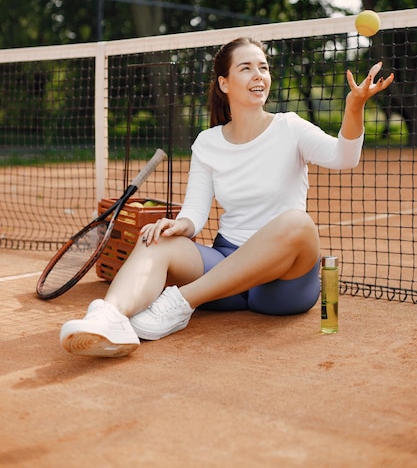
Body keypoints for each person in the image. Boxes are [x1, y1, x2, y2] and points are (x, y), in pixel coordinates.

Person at [60, 36, 394, 357]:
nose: (258, 75)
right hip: (225, 270)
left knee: (297, 222)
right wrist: (181, 225)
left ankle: (179, 304)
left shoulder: (291, 128)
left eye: (263, 67)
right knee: (158, 239)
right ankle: (108, 319)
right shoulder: (207, 143)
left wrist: (354, 107)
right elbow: (195, 211)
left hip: (282, 284)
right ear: (224, 84)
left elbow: (344, 158)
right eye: (246, 68)